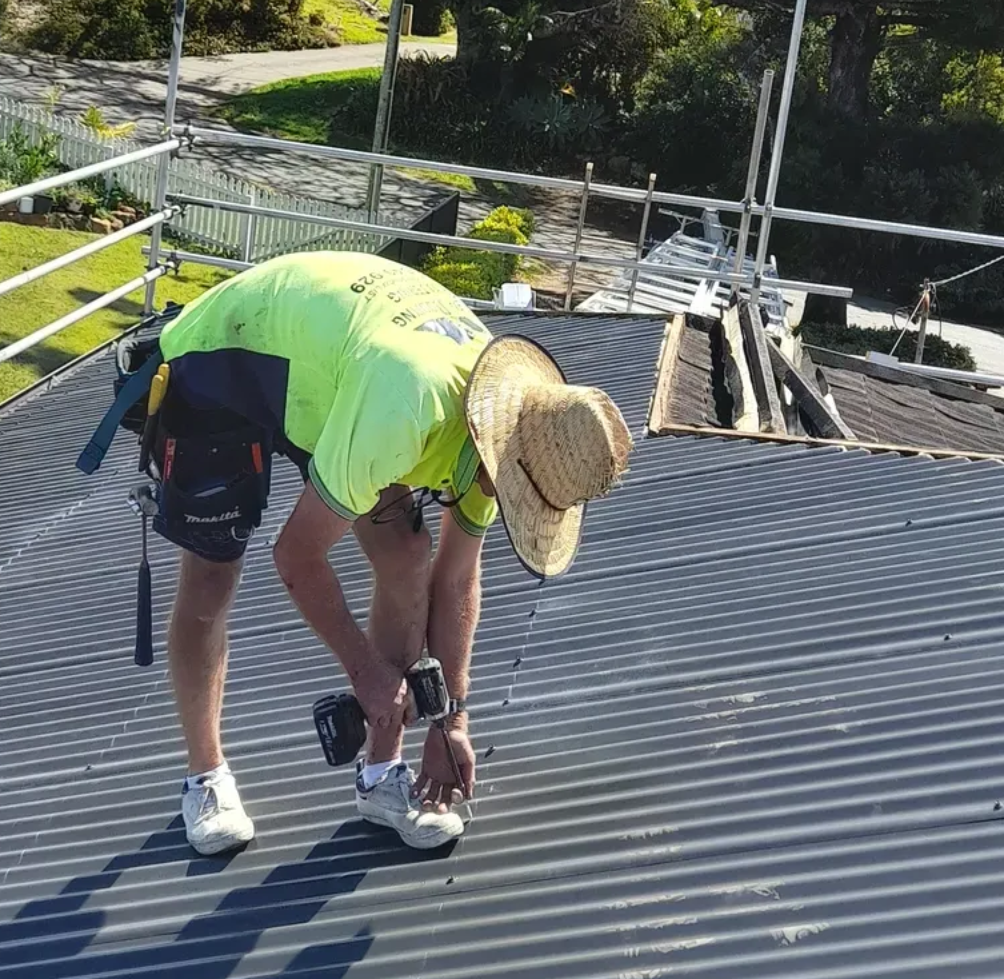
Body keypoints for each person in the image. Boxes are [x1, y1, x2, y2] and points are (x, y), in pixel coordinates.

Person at [130, 250, 631, 853]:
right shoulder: (409, 405)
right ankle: (205, 778)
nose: (513, 504)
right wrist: (366, 674)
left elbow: (456, 578)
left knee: (406, 555)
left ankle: (378, 774)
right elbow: (295, 557)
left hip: (334, 372)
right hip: (227, 357)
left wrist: (452, 721)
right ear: (504, 451)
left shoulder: (514, 434)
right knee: (212, 575)